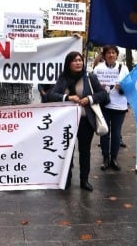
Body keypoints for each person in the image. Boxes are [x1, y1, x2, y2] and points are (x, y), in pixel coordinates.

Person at [47, 51, 109, 191]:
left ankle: (84, 180)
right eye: (75, 61)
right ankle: (66, 179)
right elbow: (51, 95)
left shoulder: (90, 77)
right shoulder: (63, 78)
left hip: (85, 121)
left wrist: (90, 99)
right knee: (67, 151)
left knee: (85, 151)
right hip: (67, 123)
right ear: (69, 63)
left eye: (80, 60)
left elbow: (103, 94)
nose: (78, 63)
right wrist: (67, 98)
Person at [93, 45, 129, 171]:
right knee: (104, 132)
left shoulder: (123, 68)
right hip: (104, 105)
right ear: (104, 55)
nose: (111, 55)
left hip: (119, 106)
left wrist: (122, 87)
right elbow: (92, 87)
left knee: (116, 133)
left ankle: (114, 158)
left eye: (113, 53)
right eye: (108, 53)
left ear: (116, 54)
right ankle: (105, 158)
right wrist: (99, 87)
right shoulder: (98, 69)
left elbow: (129, 87)